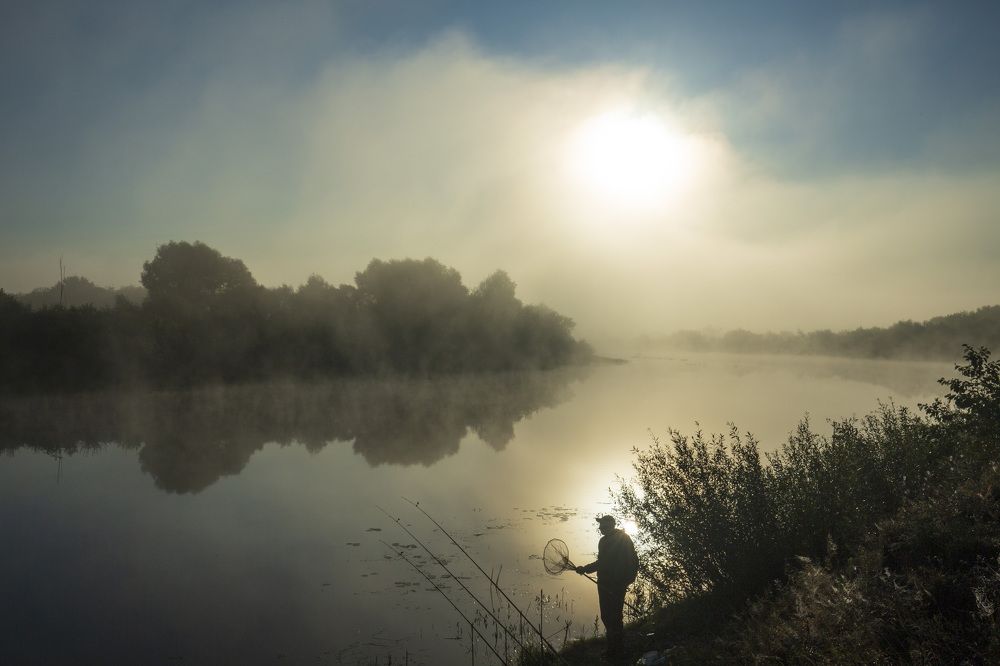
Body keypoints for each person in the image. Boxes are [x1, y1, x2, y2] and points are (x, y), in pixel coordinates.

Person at [575, 515, 639, 658]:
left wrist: (585, 569)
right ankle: (615, 647)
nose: (600, 528)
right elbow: (604, 561)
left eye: (602, 526)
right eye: (600, 526)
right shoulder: (614, 539)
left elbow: (603, 562)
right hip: (607, 583)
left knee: (612, 616)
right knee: (610, 616)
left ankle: (616, 650)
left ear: (610, 526)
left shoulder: (612, 540)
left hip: (612, 584)